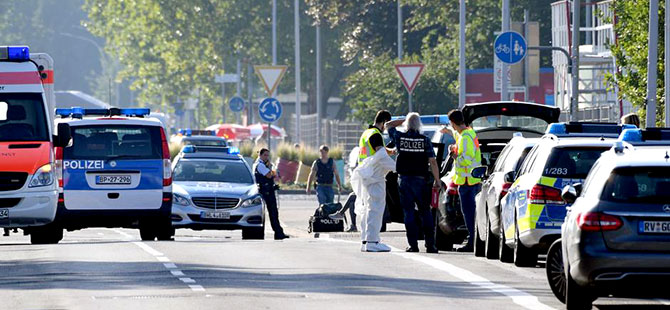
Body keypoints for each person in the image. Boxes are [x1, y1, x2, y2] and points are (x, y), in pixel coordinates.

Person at [386, 113, 440, 253]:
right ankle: (430, 245)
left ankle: (413, 245)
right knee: (425, 212)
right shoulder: (425, 140)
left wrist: (405, 120)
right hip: (421, 181)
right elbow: (432, 161)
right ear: (419, 125)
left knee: (408, 213)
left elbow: (388, 125)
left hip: (404, 180)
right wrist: (437, 180)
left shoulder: (400, 138)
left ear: (407, 125)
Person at [351, 110, 395, 252]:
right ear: (383, 123)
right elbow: (380, 155)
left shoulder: (366, 133)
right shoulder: (376, 135)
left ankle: (366, 240)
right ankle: (373, 241)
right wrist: (397, 167)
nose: (385, 130)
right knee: (375, 208)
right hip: (375, 177)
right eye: (386, 126)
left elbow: (376, 152)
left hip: (366, 176)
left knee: (367, 208)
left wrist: (389, 150)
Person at [441, 109, 482, 252]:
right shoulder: (468, 133)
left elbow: (466, 159)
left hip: (466, 182)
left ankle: (472, 242)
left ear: (453, 123)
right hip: (471, 181)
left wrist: (454, 155)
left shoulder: (465, 138)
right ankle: (474, 240)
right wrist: (448, 132)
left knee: (469, 214)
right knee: (472, 214)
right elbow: (458, 136)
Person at [253, 148, 289, 240]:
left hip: (268, 190)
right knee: (271, 212)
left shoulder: (265, 164)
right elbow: (269, 175)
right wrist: (273, 172)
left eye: (267, 155)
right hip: (265, 191)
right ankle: (277, 233)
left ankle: (278, 232)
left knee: (274, 213)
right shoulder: (260, 165)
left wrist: (272, 171)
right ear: (260, 155)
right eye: (265, 155)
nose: (266, 157)